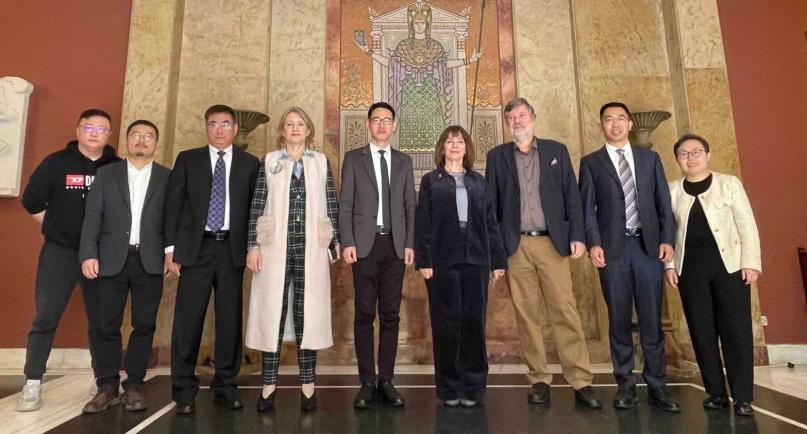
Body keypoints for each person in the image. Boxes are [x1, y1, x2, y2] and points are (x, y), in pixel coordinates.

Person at [485, 98, 602, 409]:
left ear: (533, 118)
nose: (517, 121)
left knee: (565, 310)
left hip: (553, 244)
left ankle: (581, 381)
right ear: (507, 124)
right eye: (511, 117)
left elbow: (572, 196)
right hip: (515, 247)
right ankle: (539, 379)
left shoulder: (556, 151)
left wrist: (577, 236)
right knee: (527, 315)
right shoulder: (496, 157)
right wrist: (496, 252)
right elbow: (491, 208)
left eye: (522, 115)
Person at [17, 108, 121, 412]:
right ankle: (32, 382)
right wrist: (55, 227)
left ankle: (102, 382)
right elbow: (31, 200)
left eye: (101, 129)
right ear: (78, 130)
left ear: (109, 135)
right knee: (45, 318)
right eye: (89, 127)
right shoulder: (56, 163)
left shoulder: (117, 167)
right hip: (60, 253)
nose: (95, 133)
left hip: (101, 256)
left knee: (102, 322)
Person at [579, 102, 680, 412]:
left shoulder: (650, 159)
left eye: (620, 118)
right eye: (608, 119)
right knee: (619, 319)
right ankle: (625, 385)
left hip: (648, 248)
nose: (615, 124)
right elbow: (587, 209)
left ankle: (658, 386)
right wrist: (594, 243)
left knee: (651, 319)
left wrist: (667, 239)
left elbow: (663, 202)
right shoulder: (591, 162)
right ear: (601, 126)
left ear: (630, 124)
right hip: (613, 251)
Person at [164, 104, 260, 415]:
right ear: (206, 127)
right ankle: (184, 390)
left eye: (225, 124)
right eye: (213, 124)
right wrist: (170, 250)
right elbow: (173, 205)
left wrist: (254, 247)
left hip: (232, 250)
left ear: (235, 129)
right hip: (196, 250)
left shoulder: (250, 164)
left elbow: (256, 210)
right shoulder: (188, 159)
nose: (219, 129)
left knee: (230, 321)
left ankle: (226, 386)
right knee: (188, 321)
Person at [244, 107, 340, 413]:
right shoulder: (270, 161)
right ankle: (268, 387)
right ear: (282, 131)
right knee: (272, 314)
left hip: (311, 248)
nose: (295, 128)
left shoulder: (320, 162)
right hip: (274, 249)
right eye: (289, 124)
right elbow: (257, 204)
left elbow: (331, 203)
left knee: (306, 316)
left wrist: (335, 242)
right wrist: (253, 246)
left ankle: (308, 387)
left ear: (308, 130)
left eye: (300, 124)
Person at [664, 133, 761, 416]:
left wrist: (751, 262)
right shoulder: (672, 191)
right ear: (678, 159)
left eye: (696, 152)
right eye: (684, 153)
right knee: (701, 331)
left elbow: (747, 224)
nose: (691, 157)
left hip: (729, 267)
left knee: (736, 331)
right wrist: (669, 266)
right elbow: (666, 233)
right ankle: (716, 393)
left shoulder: (729, 184)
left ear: (708, 155)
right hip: (690, 270)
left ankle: (742, 397)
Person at [78, 120, 170, 414]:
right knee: (106, 325)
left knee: (144, 325)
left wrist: (171, 254)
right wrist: (88, 254)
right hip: (110, 259)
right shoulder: (107, 174)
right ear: (127, 140)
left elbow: (172, 220)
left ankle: (134, 385)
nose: (142, 140)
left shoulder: (167, 177)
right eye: (136, 135)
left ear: (156, 142)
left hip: (149, 261)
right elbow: (92, 216)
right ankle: (106, 385)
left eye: (148, 136)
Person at [415, 125, 505, 408]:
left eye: (460, 141)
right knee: (447, 324)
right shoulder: (431, 181)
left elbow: (490, 222)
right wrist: (424, 260)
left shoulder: (479, 181)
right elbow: (423, 222)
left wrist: (497, 261)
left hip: (476, 260)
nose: (455, 145)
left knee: (474, 323)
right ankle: (449, 387)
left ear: (467, 148)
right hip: (442, 262)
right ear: (442, 148)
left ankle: (473, 387)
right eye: (449, 141)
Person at [340, 102, 416, 408]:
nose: (382, 125)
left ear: (394, 126)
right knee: (363, 314)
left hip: (395, 246)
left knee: (390, 314)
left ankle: (386, 380)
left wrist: (410, 242)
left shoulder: (404, 161)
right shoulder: (353, 159)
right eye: (376, 120)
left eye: (387, 120)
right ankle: (367, 382)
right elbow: (346, 203)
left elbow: (410, 205)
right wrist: (347, 241)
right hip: (363, 245)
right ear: (368, 125)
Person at [353, 2, 482, 151]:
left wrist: (469, 60)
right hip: (410, 96)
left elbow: (445, 64)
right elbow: (391, 63)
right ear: (412, 24)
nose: (419, 26)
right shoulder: (404, 46)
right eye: (416, 23)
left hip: (430, 96)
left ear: (426, 24)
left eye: (422, 23)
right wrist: (367, 50)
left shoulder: (434, 46)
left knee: (434, 134)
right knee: (409, 136)